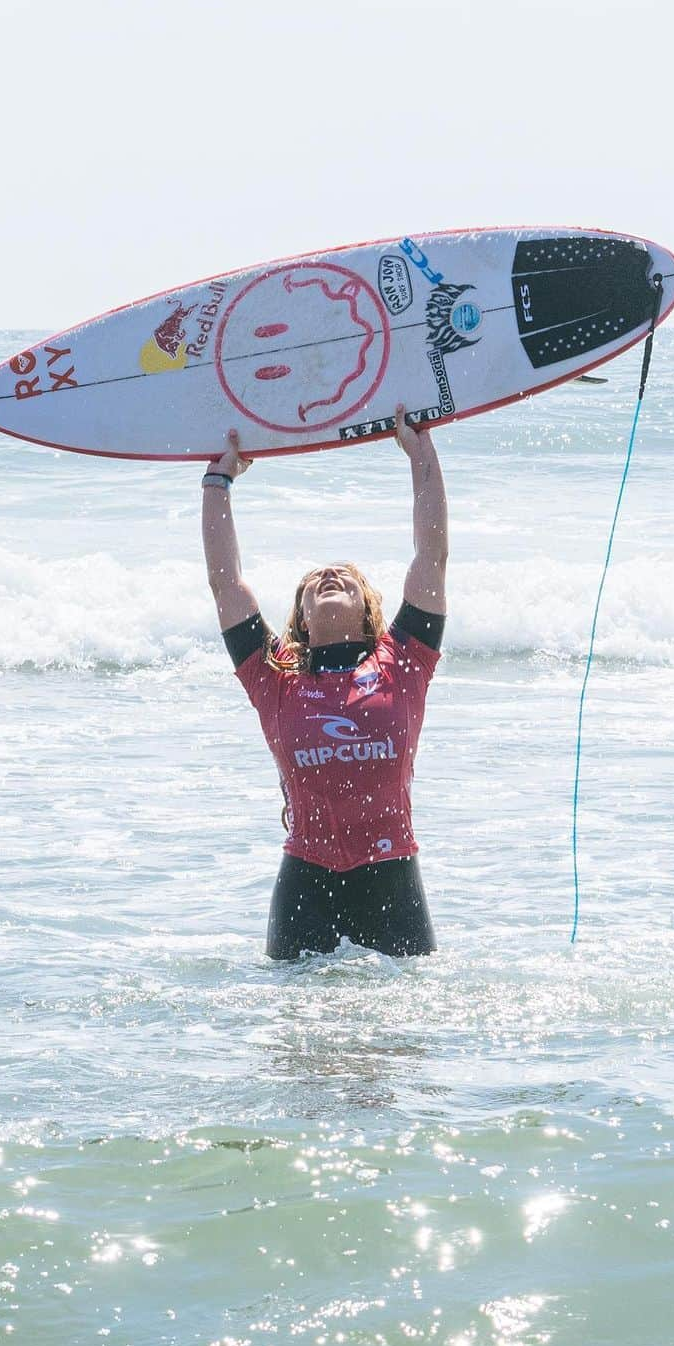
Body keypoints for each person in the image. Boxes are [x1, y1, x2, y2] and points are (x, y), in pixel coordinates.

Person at [201, 407, 448, 960]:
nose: (328, 577)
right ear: (302, 620)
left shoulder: (402, 663)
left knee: (408, 1035)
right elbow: (226, 586)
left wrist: (420, 454)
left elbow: (430, 558)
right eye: (314, 582)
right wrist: (219, 482)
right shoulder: (277, 677)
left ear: (368, 613)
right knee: (295, 1037)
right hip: (306, 884)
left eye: (345, 578)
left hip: (392, 876)